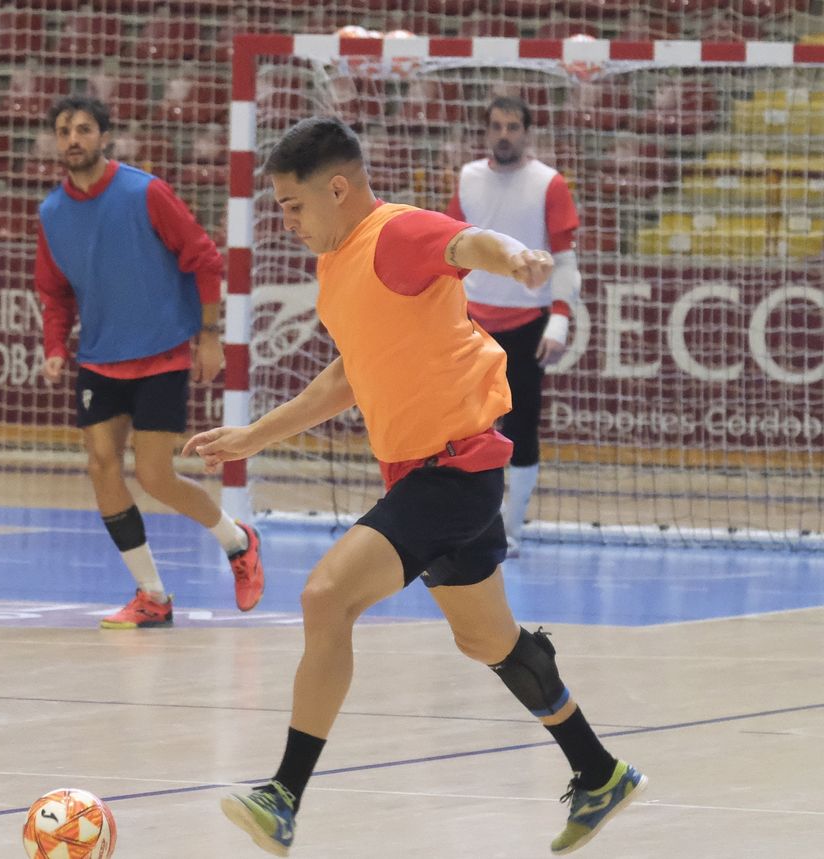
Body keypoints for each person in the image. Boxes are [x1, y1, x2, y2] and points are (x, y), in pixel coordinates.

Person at [187, 117, 643, 856]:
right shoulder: (338, 266)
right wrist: (253, 435)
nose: (288, 221)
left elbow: (464, 243)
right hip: (435, 471)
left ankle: (283, 794)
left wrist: (518, 255)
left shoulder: (393, 235)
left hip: (452, 470)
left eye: (294, 205)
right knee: (488, 639)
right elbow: (347, 375)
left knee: (325, 596)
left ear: (338, 188)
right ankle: (599, 770)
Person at [34, 95, 263, 630]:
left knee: (156, 475)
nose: (73, 139)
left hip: (161, 353)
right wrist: (54, 347)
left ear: (105, 137)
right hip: (99, 358)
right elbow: (54, 294)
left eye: (84, 129)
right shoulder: (51, 213)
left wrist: (209, 336)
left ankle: (237, 540)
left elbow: (203, 257)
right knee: (101, 466)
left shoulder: (145, 192)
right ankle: (152, 594)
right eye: (64, 130)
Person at [446, 96, 581, 556]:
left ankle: (512, 528)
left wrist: (559, 318)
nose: (505, 134)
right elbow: (449, 252)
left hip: (527, 324)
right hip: (472, 324)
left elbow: (565, 260)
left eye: (513, 126)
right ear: (486, 131)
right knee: (463, 430)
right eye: (497, 126)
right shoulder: (467, 179)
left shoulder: (549, 184)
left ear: (527, 133)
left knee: (521, 429)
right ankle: (463, 523)